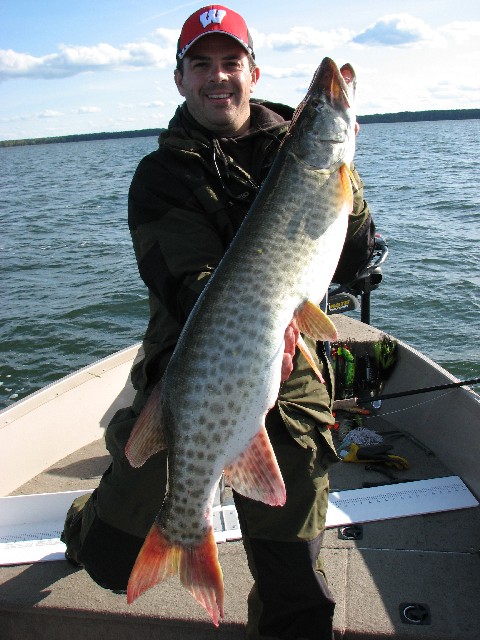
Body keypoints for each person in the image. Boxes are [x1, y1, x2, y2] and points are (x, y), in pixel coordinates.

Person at [62, 5, 375, 639]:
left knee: (296, 591)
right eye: (200, 64)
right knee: (109, 556)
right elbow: (190, 285)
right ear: (180, 79)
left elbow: (360, 256)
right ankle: (85, 526)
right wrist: (265, 329)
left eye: (231, 62)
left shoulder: (304, 155)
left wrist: (347, 186)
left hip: (292, 388)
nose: (218, 77)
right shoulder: (160, 176)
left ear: (253, 72)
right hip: (186, 375)